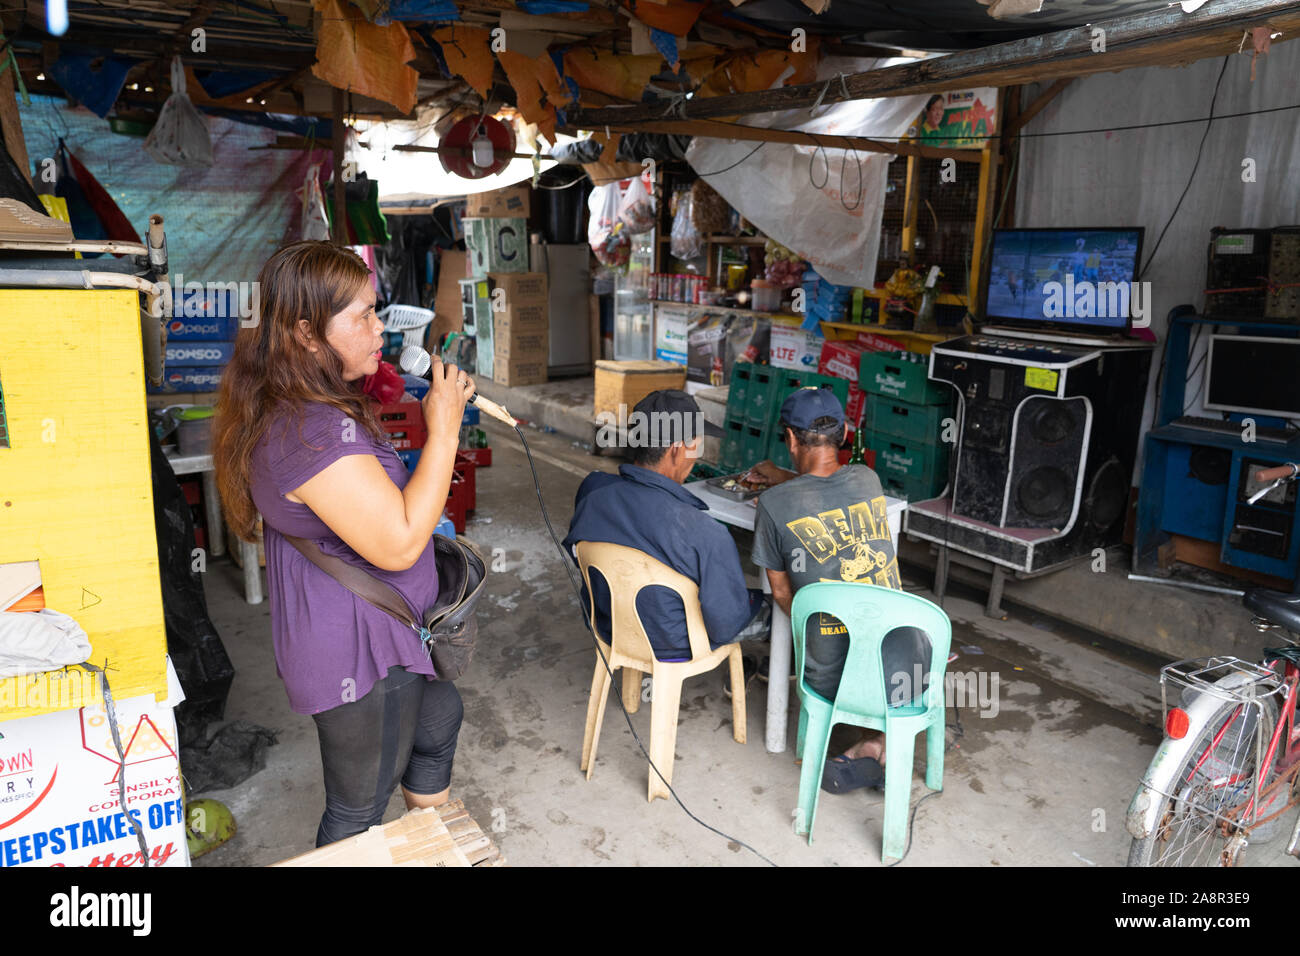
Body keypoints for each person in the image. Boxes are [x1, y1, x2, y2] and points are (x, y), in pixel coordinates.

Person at [213, 240, 477, 847]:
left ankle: (429, 847)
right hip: (360, 647)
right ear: (306, 333)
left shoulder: (311, 403)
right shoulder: (308, 431)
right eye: (360, 315)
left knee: (437, 725)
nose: (378, 327)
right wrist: (444, 427)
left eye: (375, 309)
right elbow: (402, 543)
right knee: (359, 804)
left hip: (395, 628)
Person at [751, 387, 929, 795]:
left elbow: (781, 593)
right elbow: (826, 488)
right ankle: (882, 744)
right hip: (911, 669)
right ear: (846, 432)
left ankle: (868, 745)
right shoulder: (868, 478)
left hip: (833, 679)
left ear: (791, 440)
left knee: (802, 615)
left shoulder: (773, 506)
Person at [563, 390, 765, 673]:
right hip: (674, 644)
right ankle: (777, 672)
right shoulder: (706, 533)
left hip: (608, 625)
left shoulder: (592, 491)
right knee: (774, 606)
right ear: (677, 449)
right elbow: (726, 624)